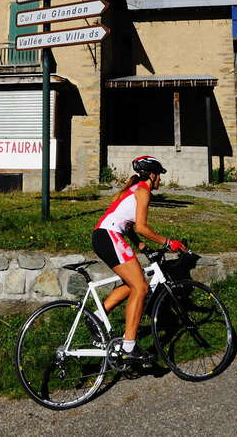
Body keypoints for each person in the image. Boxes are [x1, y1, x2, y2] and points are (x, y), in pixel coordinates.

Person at [91, 155, 186, 362]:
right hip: (110, 235)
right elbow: (141, 227)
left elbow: (130, 226)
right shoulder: (143, 192)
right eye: (159, 175)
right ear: (151, 175)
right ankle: (129, 345)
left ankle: (97, 317)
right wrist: (168, 243)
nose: (160, 180)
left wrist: (142, 247)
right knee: (141, 287)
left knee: (133, 282)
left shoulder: (132, 190)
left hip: (103, 235)